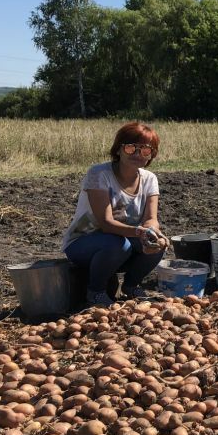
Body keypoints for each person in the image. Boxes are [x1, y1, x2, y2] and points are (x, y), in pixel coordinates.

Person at [62, 121, 169, 305]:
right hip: (83, 243)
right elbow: (106, 223)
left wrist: (152, 232)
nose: (137, 154)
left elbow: (151, 219)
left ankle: (131, 286)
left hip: (123, 243)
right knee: (119, 244)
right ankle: (96, 292)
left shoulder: (149, 179)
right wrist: (139, 232)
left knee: (158, 243)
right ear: (119, 149)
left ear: (151, 155)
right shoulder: (99, 174)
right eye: (131, 148)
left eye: (145, 150)